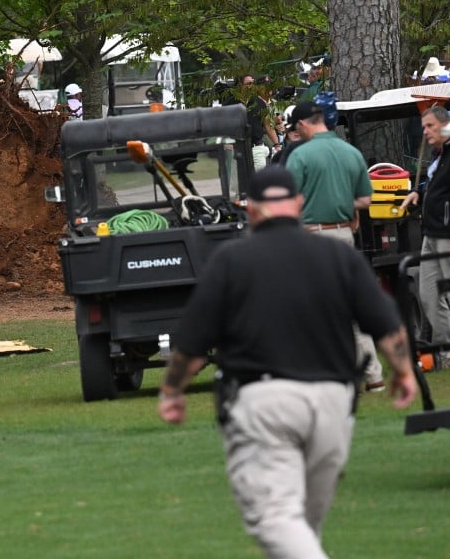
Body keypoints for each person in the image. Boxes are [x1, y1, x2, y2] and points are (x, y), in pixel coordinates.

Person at [158, 165, 417, 559]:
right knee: (302, 526)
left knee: (277, 519)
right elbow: (386, 325)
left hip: (265, 401)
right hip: (334, 403)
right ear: (298, 204)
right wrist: (403, 372)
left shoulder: (231, 260)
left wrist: (173, 390)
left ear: (252, 209)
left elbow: (192, 344)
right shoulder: (337, 256)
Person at [286, 100, 386, 391]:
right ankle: (374, 375)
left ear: (303, 124)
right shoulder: (350, 152)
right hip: (344, 236)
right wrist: (343, 204)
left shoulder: (300, 156)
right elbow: (366, 200)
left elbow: (289, 201)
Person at [400, 106, 450, 368]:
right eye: (423, 127)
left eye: (430, 126)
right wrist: (419, 194)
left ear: (445, 125)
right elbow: (436, 185)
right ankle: (445, 354)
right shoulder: (438, 156)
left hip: (447, 233)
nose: (425, 132)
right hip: (430, 232)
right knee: (429, 294)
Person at [243, 75, 281, 169]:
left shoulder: (263, 102)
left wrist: (276, 145)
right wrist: (276, 145)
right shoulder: (254, 101)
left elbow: (268, 125)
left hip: (257, 146)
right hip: (250, 147)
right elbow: (268, 125)